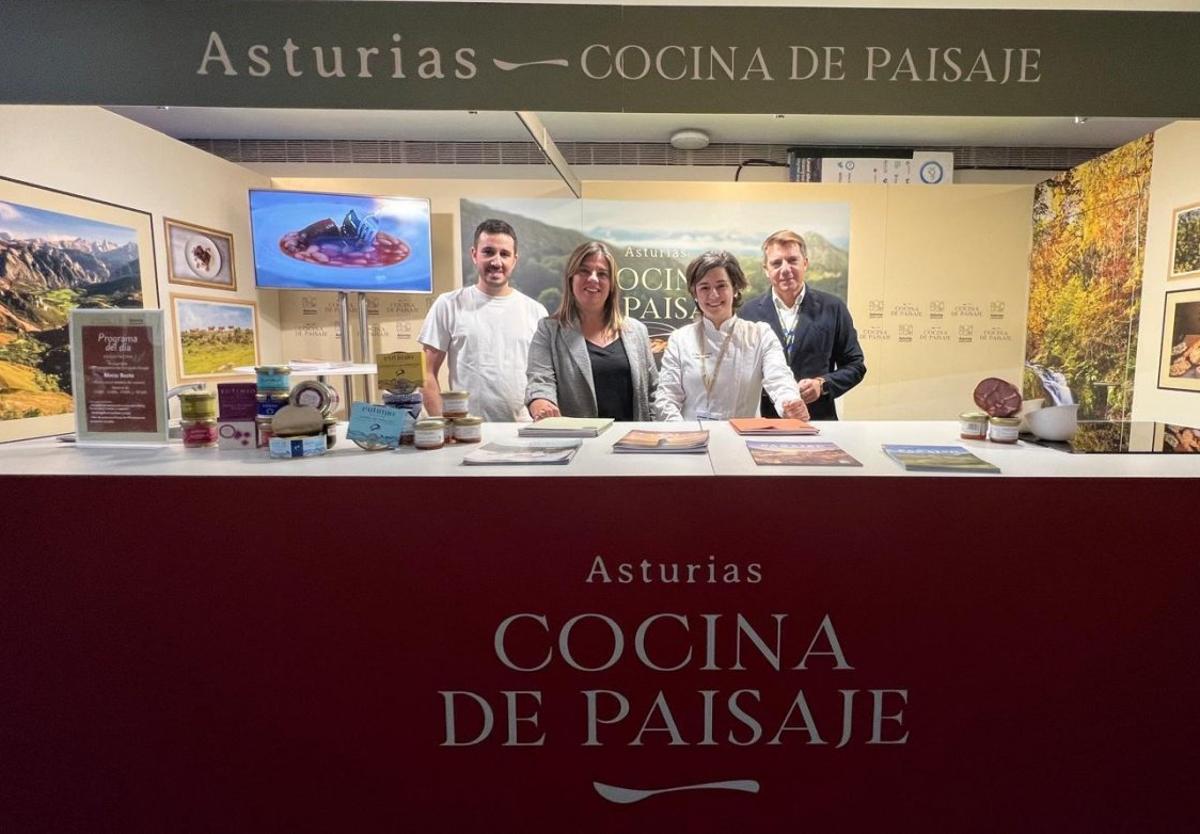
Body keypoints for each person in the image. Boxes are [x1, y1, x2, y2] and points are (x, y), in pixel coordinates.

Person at [654, 250, 809, 422]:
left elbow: (779, 378)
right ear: (694, 293)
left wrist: (790, 403)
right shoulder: (680, 339)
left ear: (735, 288)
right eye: (704, 287)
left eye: (721, 286)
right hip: (693, 441)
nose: (713, 294)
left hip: (744, 440)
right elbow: (666, 397)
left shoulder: (760, 335)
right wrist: (683, 434)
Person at [418, 219, 548, 421]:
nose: (496, 262)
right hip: (467, 433)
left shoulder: (536, 312)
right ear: (474, 255)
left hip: (524, 433)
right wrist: (442, 425)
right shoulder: (448, 305)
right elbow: (426, 374)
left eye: (504, 254)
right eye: (488, 252)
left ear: (514, 260)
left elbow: (546, 378)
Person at [740, 229, 865, 420]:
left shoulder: (833, 308)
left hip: (820, 423)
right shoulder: (748, 314)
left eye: (792, 260)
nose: (785, 269)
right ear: (766, 270)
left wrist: (822, 384)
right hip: (766, 424)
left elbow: (855, 365)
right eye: (776, 263)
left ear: (805, 263)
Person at [524, 242, 657, 421]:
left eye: (602, 274)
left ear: (611, 285)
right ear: (571, 278)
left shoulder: (638, 331)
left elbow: (653, 392)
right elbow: (540, 380)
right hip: (578, 445)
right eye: (584, 271)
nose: (593, 278)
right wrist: (540, 401)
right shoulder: (548, 331)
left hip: (632, 444)